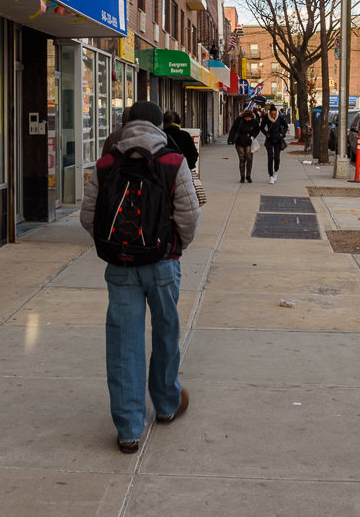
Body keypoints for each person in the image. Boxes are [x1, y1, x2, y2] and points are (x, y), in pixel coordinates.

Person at [82, 101, 199, 454]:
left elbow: (89, 218)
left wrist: (116, 245)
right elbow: (189, 217)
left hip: (120, 266)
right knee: (166, 332)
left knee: (122, 342)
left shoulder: (104, 164)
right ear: (159, 125)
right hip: (163, 264)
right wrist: (173, 247)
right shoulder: (173, 161)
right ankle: (166, 404)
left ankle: (129, 428)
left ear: (125, 125)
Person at [227, 105, 261, 182]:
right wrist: (230, 140)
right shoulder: (239, 120)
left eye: (249, 118)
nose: (248, 120)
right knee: (242, 159)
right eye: (246, 118)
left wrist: (253, 136)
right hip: (239, 141)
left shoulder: (254, 122)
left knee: (249, 159)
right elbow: (233, 129)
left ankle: (248, 175)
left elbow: (257, 130)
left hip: (249, 142)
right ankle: (242, 176)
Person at [260, 104, 290, 184]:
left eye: (274, 114)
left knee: (277, 158)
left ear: (276, 113)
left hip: (278, 140)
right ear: (269, 113)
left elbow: (286, 126)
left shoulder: (280, 118)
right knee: (270, 158)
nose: (273, 116)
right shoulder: (266, 118)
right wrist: (266, 133)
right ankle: (271, 176)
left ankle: (275, 171)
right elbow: (261, 127)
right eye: (272, 114)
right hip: (269, 140)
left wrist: (282, 134)